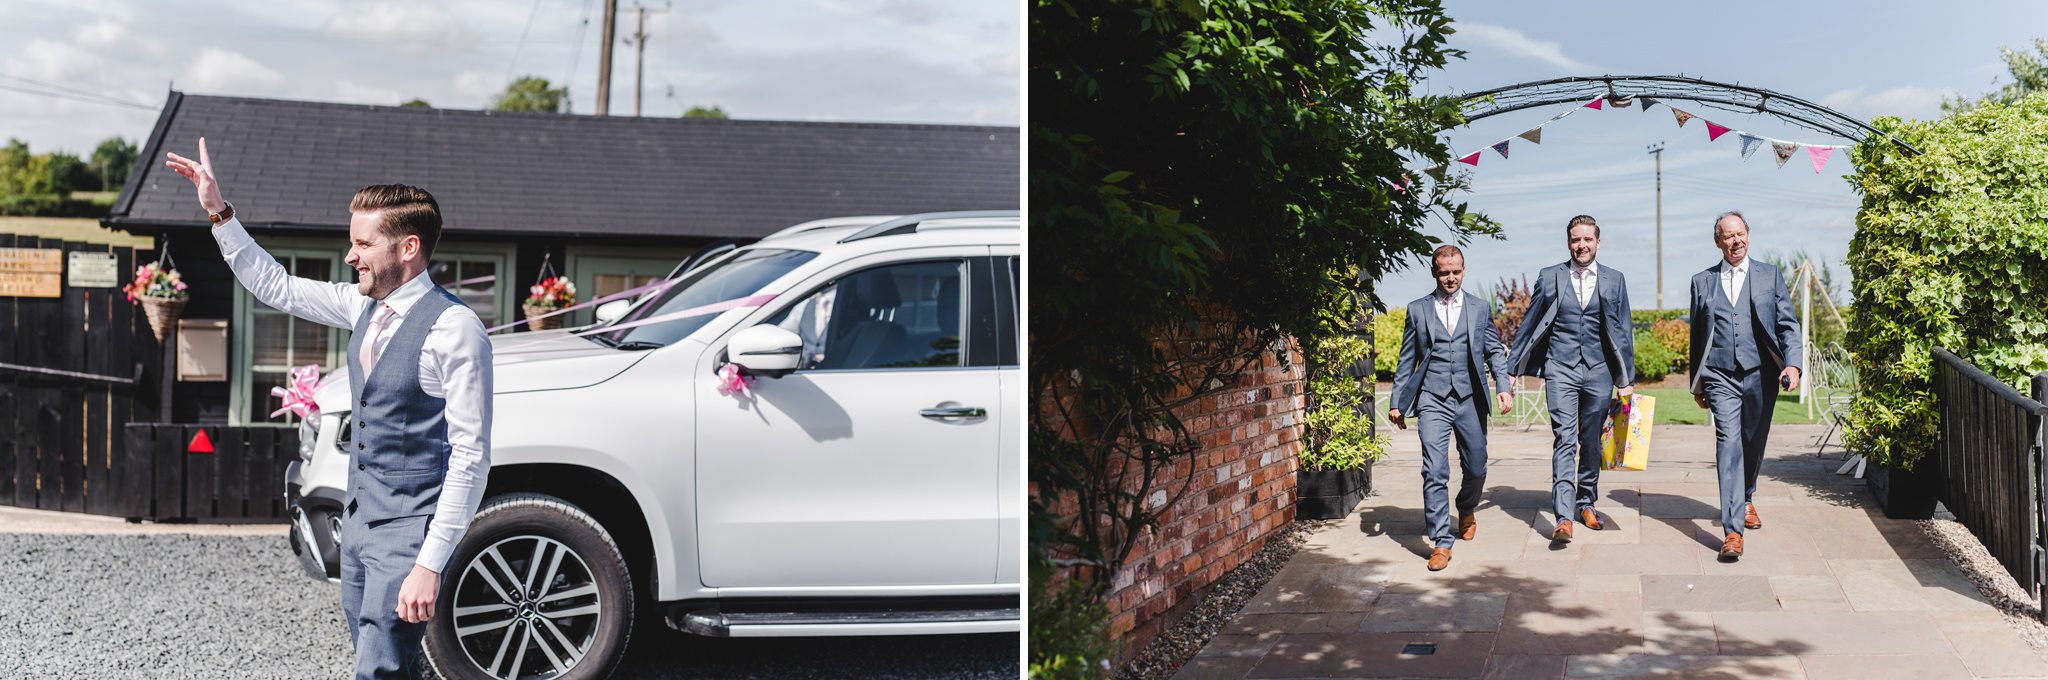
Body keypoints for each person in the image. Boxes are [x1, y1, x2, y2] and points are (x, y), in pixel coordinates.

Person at [166, 138, 493, 678]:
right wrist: (217, 210)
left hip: (409, 532)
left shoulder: (455, 330)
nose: (350, 256)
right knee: (382, 662)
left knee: (380, 668)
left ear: (408, 248)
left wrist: (429, 564)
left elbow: (470, 457)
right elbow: (279, 287)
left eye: (363, 244)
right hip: (359, 520)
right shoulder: (363, 305)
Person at [1507, 215, 1637, 544]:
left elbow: (1624, 331)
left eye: (1587, 239)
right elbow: (1530, 322)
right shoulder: (1550, 276)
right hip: (1560, 368)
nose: (1581, 245)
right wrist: (1511, 370)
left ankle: (1586, 503)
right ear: (1568, 243)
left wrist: (1626, 378)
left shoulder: (1614, 279)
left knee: (1591, 441)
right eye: (1576, 240)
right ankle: (1563, 516)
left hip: (1599, 371)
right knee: (1565, 439)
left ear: (1597, 242)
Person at [1387, 245, 1512, 571]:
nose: (1451, 277)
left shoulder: (1479, 308)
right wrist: (1397, 402)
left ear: (1464, 270)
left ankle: (1466, 506)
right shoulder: (1418, 310)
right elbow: (1406, 360)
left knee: (1476, 465)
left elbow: (1494, 351)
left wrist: (1503, 386)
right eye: (1444, 272)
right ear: (1434, 273)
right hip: (1432, 398)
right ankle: (1441, 541)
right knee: (1434, 469)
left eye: (1456, 271)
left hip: (1470, 398)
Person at [1688, 211, 1801, 561]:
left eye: (1740, 234)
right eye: (1727, 235)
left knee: (1753, 440)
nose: (1735, 241)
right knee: (1729, 442)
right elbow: (1697, 338)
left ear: (1748, 236)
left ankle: (1747, 495)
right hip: (1720, 375)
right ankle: (1733, 530)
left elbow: (1787, 325)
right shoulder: (1701, 281)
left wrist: (1793, 364)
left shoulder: (1770, 275)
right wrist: (1698, 384)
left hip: (1760, 373)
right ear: (1717, 241)